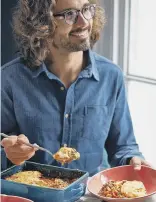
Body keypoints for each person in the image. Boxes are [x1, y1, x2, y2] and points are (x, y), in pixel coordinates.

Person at [1, 0, 151, 176]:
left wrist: (132, 160)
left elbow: (124, 147)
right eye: (69, 14)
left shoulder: (111, 76)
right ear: (41, 24)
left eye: (87, 10)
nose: (84, 22)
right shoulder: (10, 78)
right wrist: (10, 154)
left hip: (92, 194)